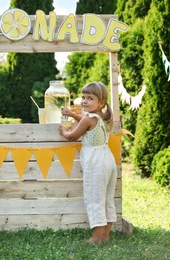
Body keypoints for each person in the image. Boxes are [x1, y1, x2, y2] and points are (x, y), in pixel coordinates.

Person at [59, 82, 117, 244]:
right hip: (108, 159)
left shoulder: (89, 119)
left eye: (90, 98)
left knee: (95, 199)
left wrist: (64, 131)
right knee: (107, 199)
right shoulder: (102, 117)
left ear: (102, 102)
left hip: (96, 163)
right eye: (83, 97)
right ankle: (105, 235)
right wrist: (73, 114)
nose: (84, 101)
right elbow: (86, 122)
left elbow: (72, 136)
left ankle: (97, 238)